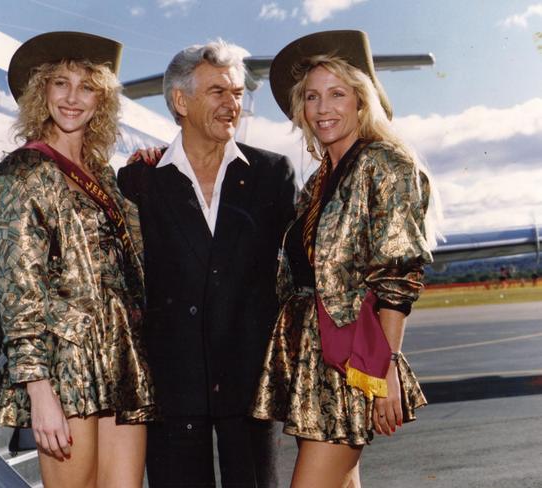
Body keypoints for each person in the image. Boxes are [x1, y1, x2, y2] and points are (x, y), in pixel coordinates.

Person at [251, 30, 434, 487]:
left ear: (361, 100)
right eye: (312, 97)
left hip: (352, 358)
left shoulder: (385, 163)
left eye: (337, 94)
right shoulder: (318, 181)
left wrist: (385, 368)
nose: (323, 108)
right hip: (312, 357)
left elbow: (397, 275)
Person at [117, 39, 296, 487]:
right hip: (173, 386)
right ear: (180, 101)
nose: (232, 104)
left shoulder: (273, 174)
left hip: (249, 385)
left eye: (237, 93)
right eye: (218, 92)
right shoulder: (141, 179)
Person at [0, 32, 156, 488]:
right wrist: (39, 391)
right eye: (61, 83)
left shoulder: (105, 176)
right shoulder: (20, 173)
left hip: (120, 354)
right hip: (66, 364)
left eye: (86, 86)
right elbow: (20, 290)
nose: (73, 98)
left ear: (102, 99)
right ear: (42, 91)